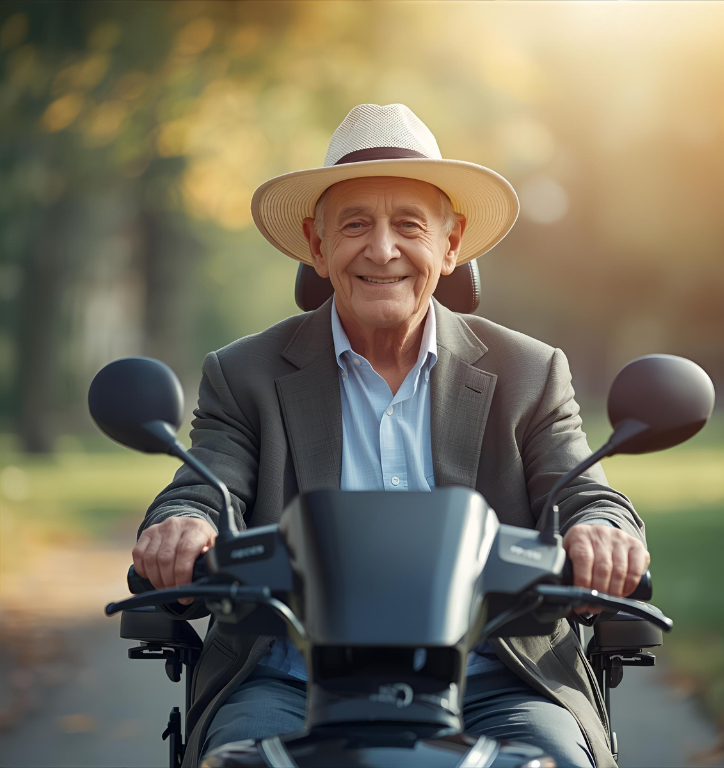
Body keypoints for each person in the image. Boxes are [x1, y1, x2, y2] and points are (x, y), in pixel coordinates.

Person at [133, 104, 650, 768]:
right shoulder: (243, 374)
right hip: (291, 683)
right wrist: (182, 524)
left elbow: (585, 494)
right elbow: (207, 484)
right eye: (355, 225)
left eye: (409, 225)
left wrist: (601, 531)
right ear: (317, 246)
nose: (382, 250)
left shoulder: (530, 371)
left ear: (451, 243)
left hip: (495, 680)